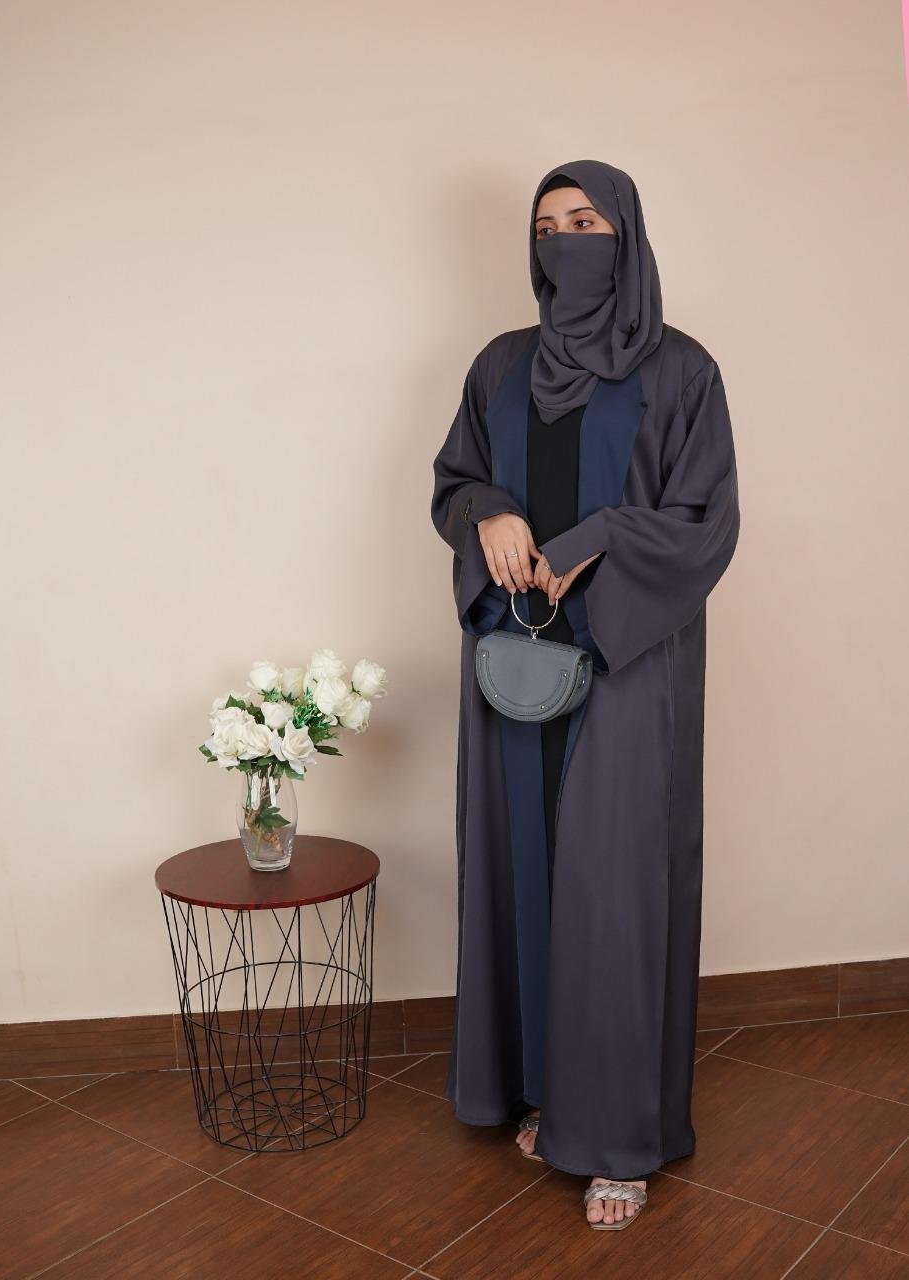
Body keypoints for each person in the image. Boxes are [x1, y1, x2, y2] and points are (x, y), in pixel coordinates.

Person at [430, 159, 740, 1231]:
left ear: (626, 235)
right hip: (516, 652)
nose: (566, 240)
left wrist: (595, 536)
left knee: (614, 886)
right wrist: (489, 509)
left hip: (626, 657)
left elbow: (705, 521)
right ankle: (545, 1094)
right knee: (526, 870)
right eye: (547, 226)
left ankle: (616, 1137)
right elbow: (453, 482)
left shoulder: (682, 369)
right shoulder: (500, 364)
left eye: (586, 221)